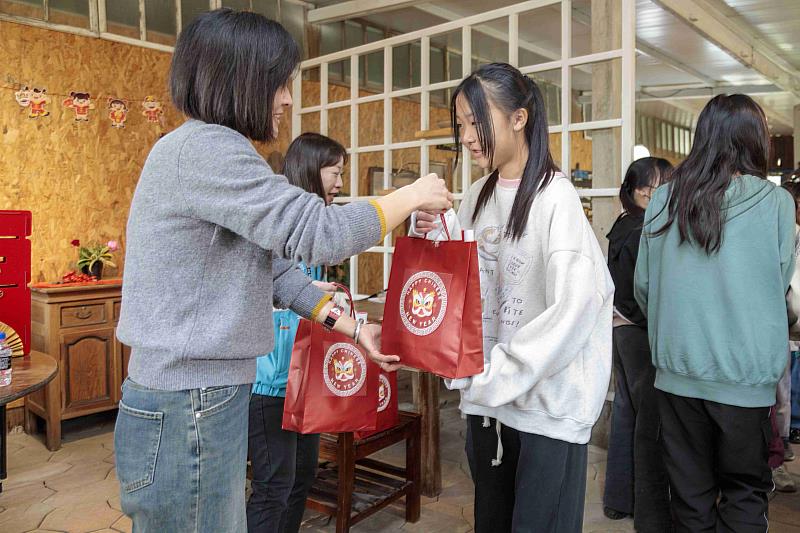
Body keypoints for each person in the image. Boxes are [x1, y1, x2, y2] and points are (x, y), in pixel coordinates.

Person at [113, 10, 452, 532]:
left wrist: (355, 328)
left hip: (201, 400)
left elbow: (278, 273)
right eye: (281, 82)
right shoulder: (207, 151)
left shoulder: (212, 152)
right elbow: (318, 232)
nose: (289, 98)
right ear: (240, 79)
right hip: (189, 406)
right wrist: (409, 196)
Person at [413, 63, 613, 533]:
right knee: (492, 522)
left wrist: (491, 372)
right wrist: (436, 236)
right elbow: (466, 282)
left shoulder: (555, 198)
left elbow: (575, 309)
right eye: (459, 123)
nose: (465, 135)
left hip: (547, 411)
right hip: (489, 407)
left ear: (519, 119)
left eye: (475, 121)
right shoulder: (478, 194)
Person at [635, 94, 796, 532]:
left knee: (689, 498)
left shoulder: (663, 199)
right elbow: (777, 287)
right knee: (745, 492)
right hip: (745, 380)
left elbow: (644, 288)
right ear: (754, 139)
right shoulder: (775, 204)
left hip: (677, 375)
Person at [247, 133, 348, 533]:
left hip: (301, 380)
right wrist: (301, 295)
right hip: (268, 381)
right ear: (311, 169)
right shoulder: (275, 220)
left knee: (302, 476)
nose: (340, 182)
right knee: (274, 485)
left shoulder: (312, 225)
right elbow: (262, 292)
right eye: (335, 172)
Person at [603, 157, 674, 531]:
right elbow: (640, 295)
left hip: (619, 330)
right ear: (637, 189)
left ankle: (618, 500)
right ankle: (650, 514)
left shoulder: (621, 224)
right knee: (650, 425)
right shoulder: (643, 229)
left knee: (627, 417)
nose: (657, 192)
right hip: (638, 333)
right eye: (653, 185)